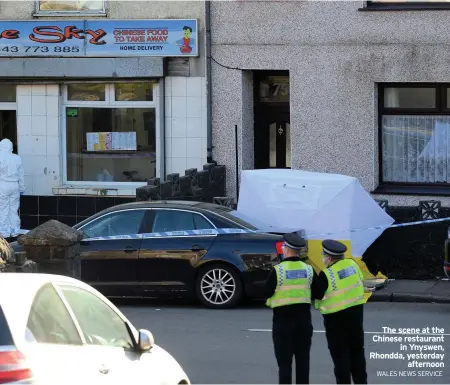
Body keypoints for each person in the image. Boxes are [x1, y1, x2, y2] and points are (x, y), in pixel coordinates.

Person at [312, 239, 367, 384]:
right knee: (358, 358)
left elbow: (316, 294)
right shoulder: (352, 264)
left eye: (323, 255)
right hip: (356, 320)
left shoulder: (326, 275)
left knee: (341, 362)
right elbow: (359, 280)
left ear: (328, 258)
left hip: (336, 325)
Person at [263, 232, 316, 384]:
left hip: (282, 323)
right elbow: (318, 291)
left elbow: (266, 292)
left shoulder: (278, 270)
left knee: (284, 364)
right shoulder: (309, 269)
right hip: (304, 322)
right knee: (303, 361)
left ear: (285, 249)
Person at [0, 139, 25, 240]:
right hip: (15, 185)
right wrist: (22, 188)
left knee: (3, 209)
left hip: (3, 185)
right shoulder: (17, 158)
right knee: (14, 210)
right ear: (11, 147)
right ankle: (15, 232)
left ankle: (4, 234)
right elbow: (21, 174)